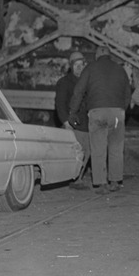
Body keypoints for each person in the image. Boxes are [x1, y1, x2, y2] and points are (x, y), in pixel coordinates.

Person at [68, 46, 132, 193]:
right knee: (116, 148)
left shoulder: (90, 68)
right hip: (117, 113)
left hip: (97, 112)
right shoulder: (120, 69)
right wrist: (122, 109)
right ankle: (115, 181)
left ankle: (101, 183)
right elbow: (128, 93)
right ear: (110, 55)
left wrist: (73, 111)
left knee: (98, 148)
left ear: (97, 56)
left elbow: (78, 91)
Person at [54, 51, 90, 188]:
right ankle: (73, 178)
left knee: (87, 152)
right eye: (76, 65)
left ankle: (78, 178)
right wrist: (65, 122)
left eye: (82, 65)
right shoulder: (64, 83)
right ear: (71, 66)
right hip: (73, 126)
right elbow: (60, 104)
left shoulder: (87, 82)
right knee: (76, 153)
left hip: (86, 124)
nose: (79, 68)